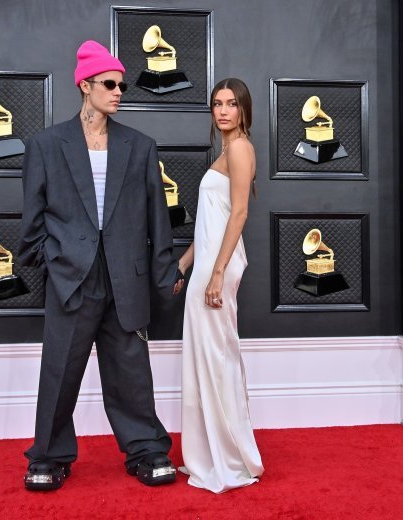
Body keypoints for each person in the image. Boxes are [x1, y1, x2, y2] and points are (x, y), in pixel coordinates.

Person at [19, 40, 184, 491]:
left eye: (122, 86)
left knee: (131, 370)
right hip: (71, 275)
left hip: (124, 275)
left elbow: (157, 219)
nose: (118, 92)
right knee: (60, 371)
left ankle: (147, 451)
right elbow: (32, 219)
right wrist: (51, 262)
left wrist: (163, 271)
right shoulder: (47, 145)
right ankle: (49, 456)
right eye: (109, 84)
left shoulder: (140, 145)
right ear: (85, 85)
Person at [177, 78, 264, 493]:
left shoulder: (242, 149)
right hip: (208, 264)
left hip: (220, 266)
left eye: (231, 103)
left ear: (244, 109)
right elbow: (209, 223)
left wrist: (214, 272)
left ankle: (230, 460)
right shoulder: (226, 151)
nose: (223, 110)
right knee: (205, 360)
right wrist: (183, 265)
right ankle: (209, 454)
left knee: (217, 360)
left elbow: (240, 214)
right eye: (217, 104)